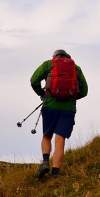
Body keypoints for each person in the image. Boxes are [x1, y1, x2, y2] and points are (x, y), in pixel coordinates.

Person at [30, 49, 88, 178]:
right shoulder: (76, 68)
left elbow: (33, 80)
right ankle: (54, 175)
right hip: (68, 109)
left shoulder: (48, 64)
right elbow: (84, 91)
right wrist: (71, 97)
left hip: (50, 105)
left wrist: (42, 94)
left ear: (54, 56)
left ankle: (45, 161)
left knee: (47, 136)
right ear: (67, 57)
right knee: (60, 140)